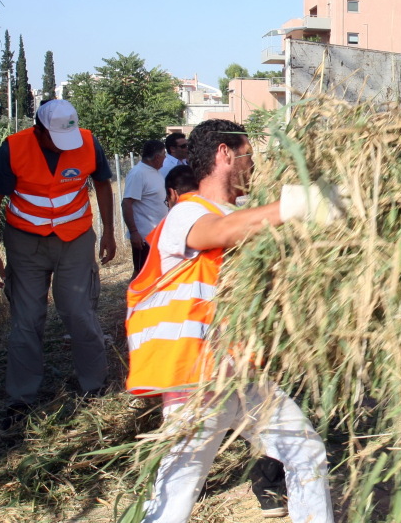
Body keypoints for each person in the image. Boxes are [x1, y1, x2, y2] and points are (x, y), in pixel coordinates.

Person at [125, 119, 336, 523]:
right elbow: (219, 232)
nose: (252, 166)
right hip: (196, 382)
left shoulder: (241, 213)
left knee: (305, 450)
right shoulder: (187, 214)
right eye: (248, 156)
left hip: (239, 371)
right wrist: (296, 204)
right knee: (178, 489)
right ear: (226, 155)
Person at [0, 99, 116, 428]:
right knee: (27, 320)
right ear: (38, 129)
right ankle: (21, 397)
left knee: (79, 312)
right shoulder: (13, 148)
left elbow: (101, 184)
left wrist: (109, 231)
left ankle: (94, 387)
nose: (62, 145)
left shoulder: (87, 141)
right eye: (54, 137)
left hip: (75, 237)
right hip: (26, 241)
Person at [122, 140, 168, 278]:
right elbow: (126, 203)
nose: (165, 158)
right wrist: (134, 232)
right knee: (141, 275)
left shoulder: (156, 172)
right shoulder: (138, 173)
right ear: (157, 157)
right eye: (164, 155)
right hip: (144, 238)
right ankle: (134, 299)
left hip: (157, 235)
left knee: (155, 275)